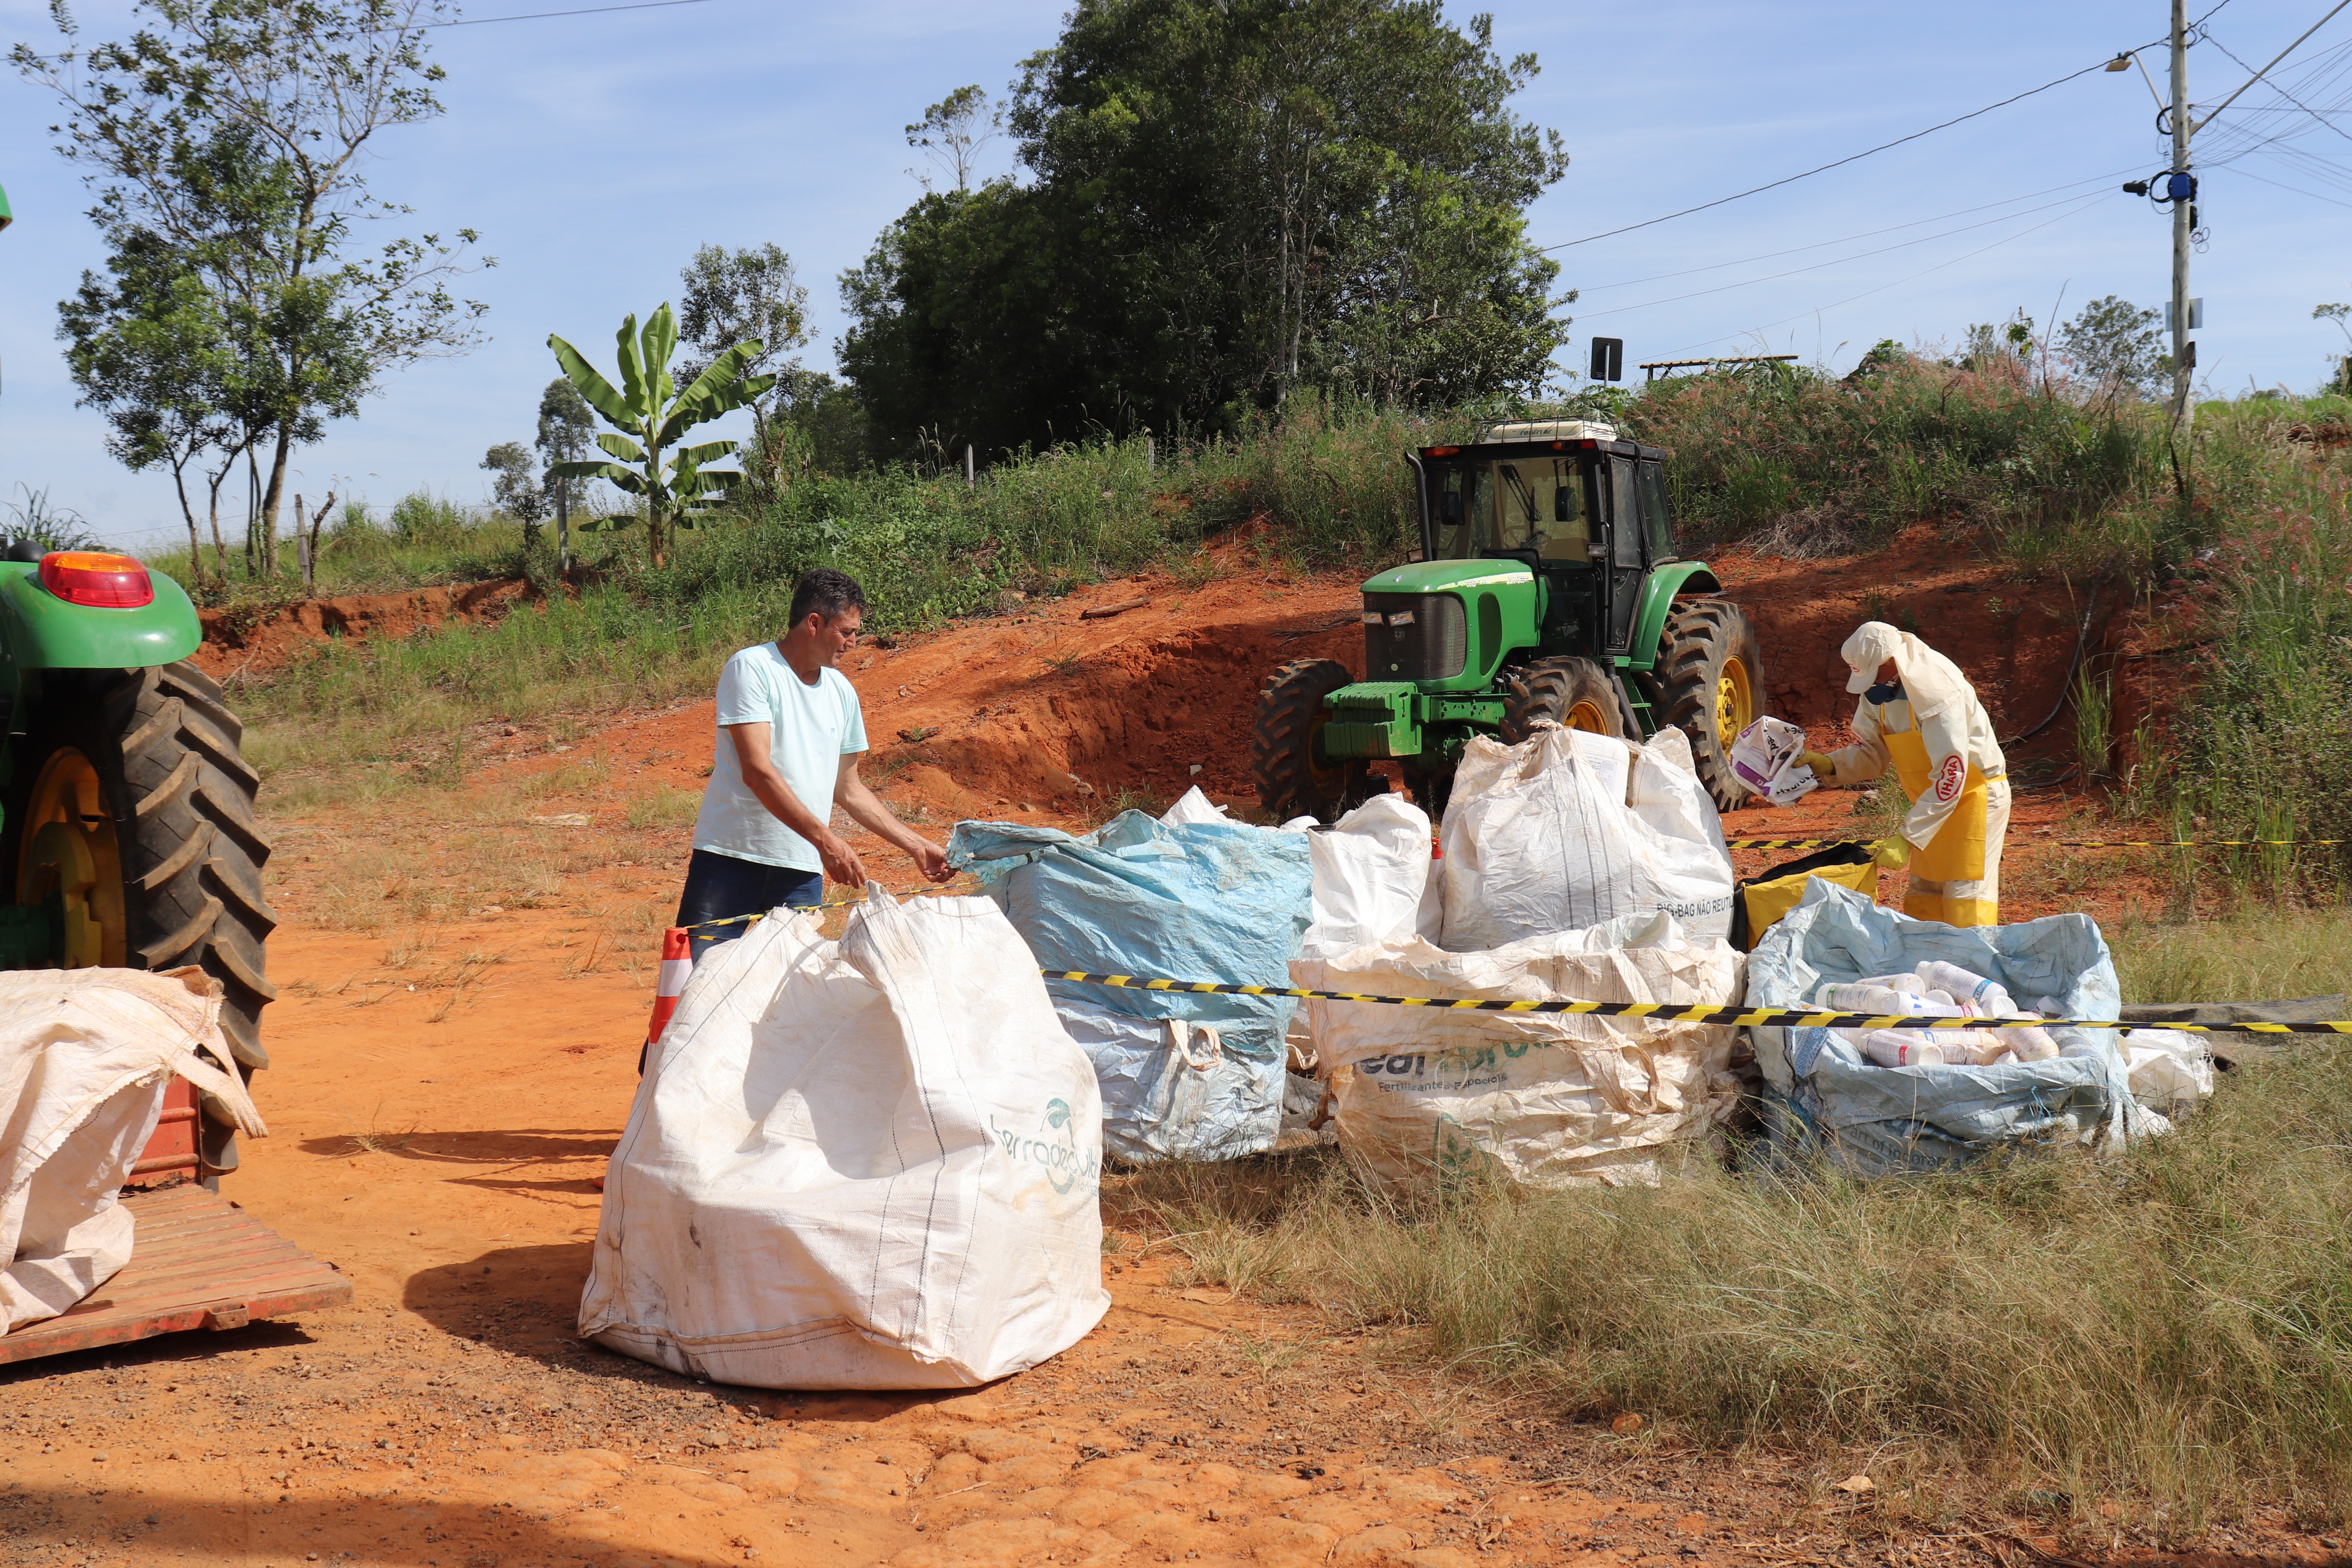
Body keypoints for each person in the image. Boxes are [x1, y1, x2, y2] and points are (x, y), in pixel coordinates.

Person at [676, 568, 952, 960]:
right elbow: (757, 771)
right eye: (847, 631)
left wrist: (917, 846)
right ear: (814, 623)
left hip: (800, 869)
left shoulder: (842, 691)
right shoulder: (752, 668)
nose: (855, 643)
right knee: (698, 985)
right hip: (731, 858)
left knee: (792, 999)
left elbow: (849, 788)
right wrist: (827, 841)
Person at [1792, 620, 2009, 927]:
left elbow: (1953, 776)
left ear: (1891, 660)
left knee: (1966, 898)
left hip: (1975, 798)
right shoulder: (1879, 690)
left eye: (1873, 674)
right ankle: (1930, 970)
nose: (1869, 684)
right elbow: (1871, 755)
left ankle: (1974, 972)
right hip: (1931, 805)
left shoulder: (1936, 689)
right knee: (1926, 894)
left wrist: (1908, 837)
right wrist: (1829, 765)